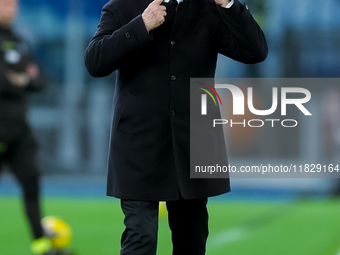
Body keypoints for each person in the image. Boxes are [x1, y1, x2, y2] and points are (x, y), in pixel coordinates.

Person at [85, 0, 267, 254]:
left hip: (192, 144)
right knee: (141, 238)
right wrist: (141, 25)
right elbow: (94, 62)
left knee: (191, 241)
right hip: (139, 145)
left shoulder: (209, 9)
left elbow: (255, 52)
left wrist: (229, 4)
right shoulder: (122, 6)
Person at [0, 0, 71, 254]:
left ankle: (41, 245)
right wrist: (24, 77)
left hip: (19, 129)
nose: (12, 8)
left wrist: (19, 78)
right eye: (6, 4)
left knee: (32, 182)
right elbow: (6, 82)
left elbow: (40, 81)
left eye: (14, 4)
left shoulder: (19, 39)